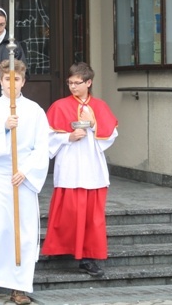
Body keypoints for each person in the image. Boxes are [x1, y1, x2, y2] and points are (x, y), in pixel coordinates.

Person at [0, 59, 49, 305]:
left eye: (17, 79)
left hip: (23, 177)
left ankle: (18, 287)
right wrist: (4, 129)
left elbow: (42, 147)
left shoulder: (35, 111)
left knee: (24, 235)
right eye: (8, 79)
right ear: (1, 81)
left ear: (23, 81)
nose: (12, 83)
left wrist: (26, 171)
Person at [41, 62, 119, 277]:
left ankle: (88, 257)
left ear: (89, 82)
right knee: (67, 212)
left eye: (77, 83)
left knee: (92, 217)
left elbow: (111, 135)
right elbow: (46, 137)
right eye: (70, 83)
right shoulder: (59, 106)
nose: (73, 87)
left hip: (92, 166)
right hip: (69, 165)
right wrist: (68, 136)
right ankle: (60, 248)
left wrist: (94, 124)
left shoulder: (100, 106)